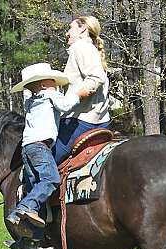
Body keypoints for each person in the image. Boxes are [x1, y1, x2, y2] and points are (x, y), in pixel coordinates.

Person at [5, 63, 91, 249]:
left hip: (27, 148)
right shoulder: (50, 95)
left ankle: (31, 239)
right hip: (40, 147)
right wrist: (80, 93)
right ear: (44, 84)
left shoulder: (31, 102)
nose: (56, 85)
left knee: (38, 190)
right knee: (51, 179)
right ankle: (23, 207)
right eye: (53, 81)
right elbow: (66, 105)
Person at [53, 15, 111, 164]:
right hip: (101, 122)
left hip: (80, 122)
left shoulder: (80, 46)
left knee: (43, 166)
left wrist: (77, 96)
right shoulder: (91, 49)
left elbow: (97, 77)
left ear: (82, 29)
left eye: (70, 28)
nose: (67, 33)